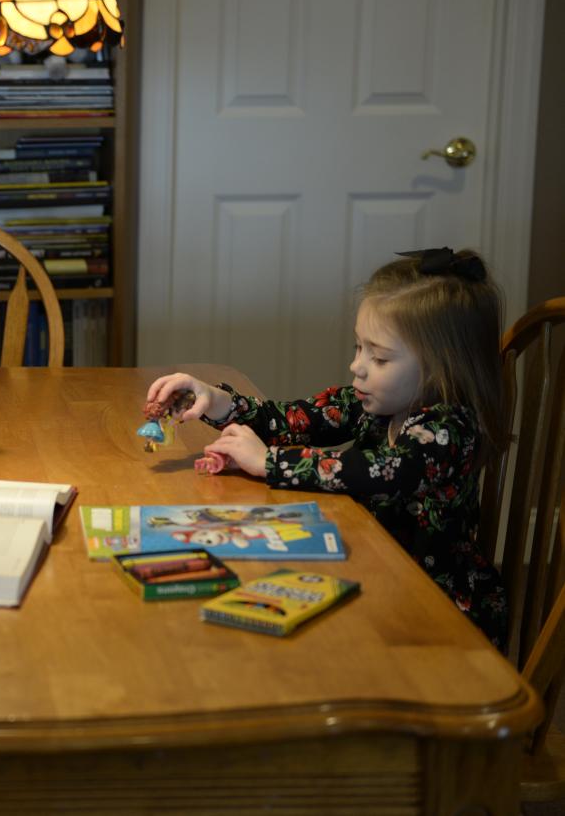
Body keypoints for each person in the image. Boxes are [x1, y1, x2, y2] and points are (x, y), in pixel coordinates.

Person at [145, 248, 509, 648]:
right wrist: (216, 401)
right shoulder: (376, 403)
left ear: (442, 368)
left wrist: (268, 462)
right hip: (375, 572)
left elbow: (377, 471)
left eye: (380, 357)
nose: (358, 366)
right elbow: (293, 421)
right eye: (358, 348)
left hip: (438, 612)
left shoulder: (448, 431)